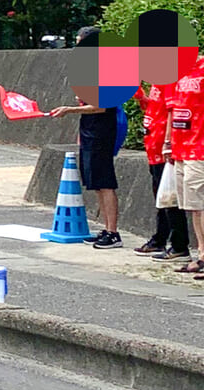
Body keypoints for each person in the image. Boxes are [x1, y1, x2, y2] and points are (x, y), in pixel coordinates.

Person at [49, 29, 121, 249]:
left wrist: (70, 109)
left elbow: (101, 106)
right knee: (96, 183)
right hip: (89, 130)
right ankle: (106, 228)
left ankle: (113, 232)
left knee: (105, 182)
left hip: (102, 130)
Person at [133, 81, 190, 260]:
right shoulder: (157, 83)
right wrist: (141, 97)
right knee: (161, 195)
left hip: (163, 148)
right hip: (152, 144)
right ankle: (160, 238)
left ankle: (179, 245)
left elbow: (173, 111)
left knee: (170, 198)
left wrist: (168, 142)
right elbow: (154, 107)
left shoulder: (171, 81)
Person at [163, 47, 204, 275]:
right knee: (193, 207)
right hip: (180, 148)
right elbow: (172, 110)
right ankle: (201, 254)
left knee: (201, 203)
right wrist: (168, 142)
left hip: (200, 148)